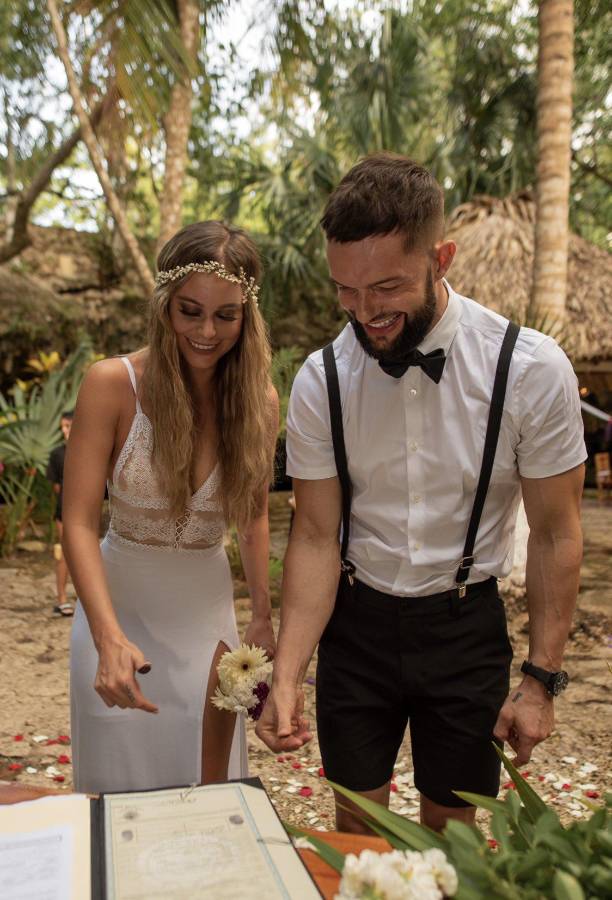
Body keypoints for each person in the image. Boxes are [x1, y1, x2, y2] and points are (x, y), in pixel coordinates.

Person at [256, 154, 586, 834]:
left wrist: (541, 680)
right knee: (357, 831)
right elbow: (315, 536)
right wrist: (287, 672)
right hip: (356, 627)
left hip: (465, 627)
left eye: (386, 287)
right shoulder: (322, 379)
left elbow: (556, 534)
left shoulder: (529, 369)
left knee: (452, 833)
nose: (364, 313)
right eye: (346, 291)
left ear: (441, 258)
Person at [63, 221, 278, 794]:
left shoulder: (259, 402)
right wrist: (108, 636)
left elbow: (254, 516)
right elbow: (78, 523)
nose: (206, 332)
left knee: (207, 795)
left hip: (207, 624)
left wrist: (261, 615)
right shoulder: (111, 385)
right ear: (164, 305)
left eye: (226, 315)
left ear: (247, 315)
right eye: (190, 311)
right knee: (119, 798)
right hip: (116, 615)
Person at [46, 410, 74, 616]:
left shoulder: (93, 450)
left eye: (68, 426)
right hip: (64, 510)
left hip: (92, 512)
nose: (64, 431)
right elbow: (56, 486)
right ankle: (62, 599)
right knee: (65, 552)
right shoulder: (57, 454)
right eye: (62, 427)